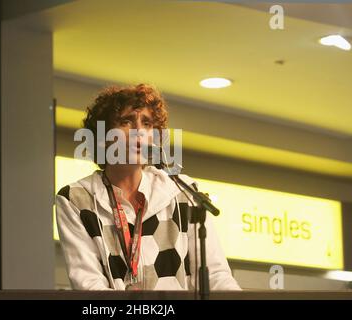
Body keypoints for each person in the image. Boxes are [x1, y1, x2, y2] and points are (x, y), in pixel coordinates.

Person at [55, 83, 241, 291]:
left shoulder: (183, 193)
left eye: (147, 123)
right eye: (126, 121)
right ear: (103, 136)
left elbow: (216, 277)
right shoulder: (76, 199)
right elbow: (88, 284)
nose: (138, 132)